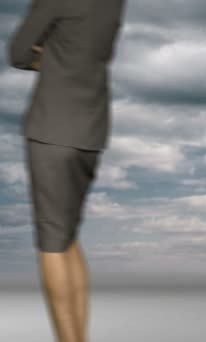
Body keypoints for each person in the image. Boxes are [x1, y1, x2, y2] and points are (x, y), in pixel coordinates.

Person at [7, 0, 126, 341]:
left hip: (52, 130)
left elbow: (17, 53)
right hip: (91, 130)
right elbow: (91, 51)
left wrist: (47, 56)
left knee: (52, 245)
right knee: (69, 237)